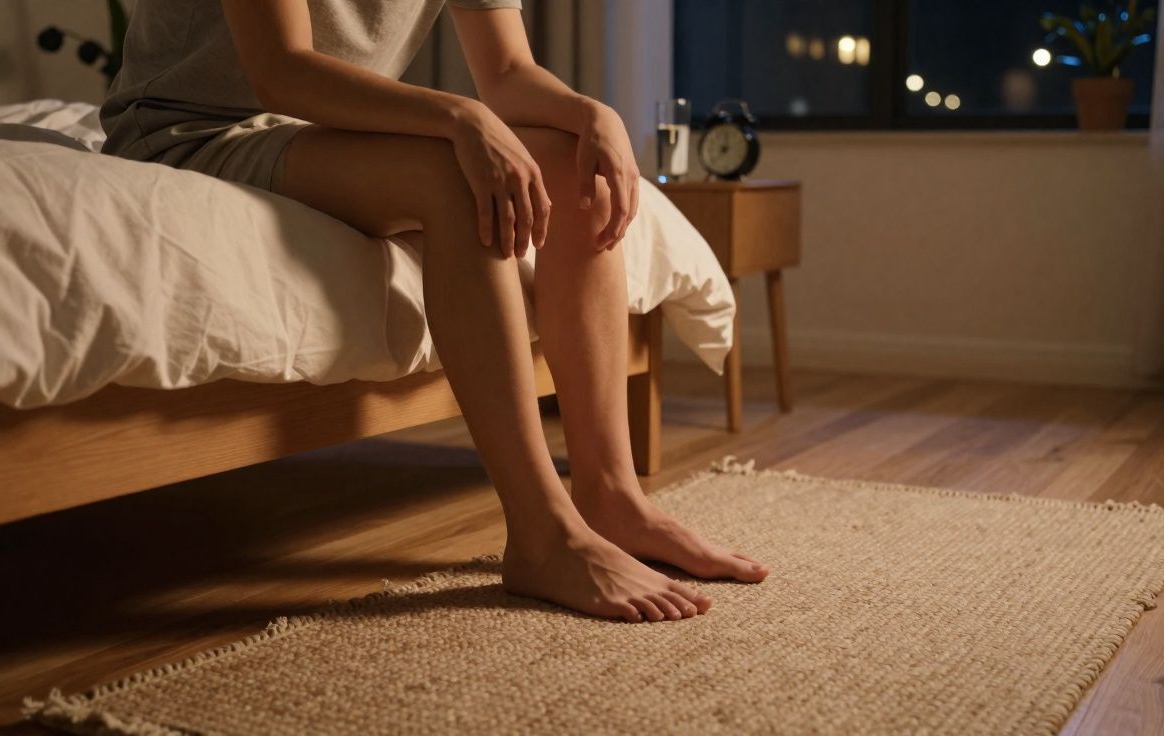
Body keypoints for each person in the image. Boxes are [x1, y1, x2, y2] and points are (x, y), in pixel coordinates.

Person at [101, 0, 769, 623]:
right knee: (457, 178)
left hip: (325, 127)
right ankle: (541, 532)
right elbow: (282, 71)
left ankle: (612, 496)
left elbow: (508, 73)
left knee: (576, 171)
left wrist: (590, 112)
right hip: (190, 130)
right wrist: (458, 116)